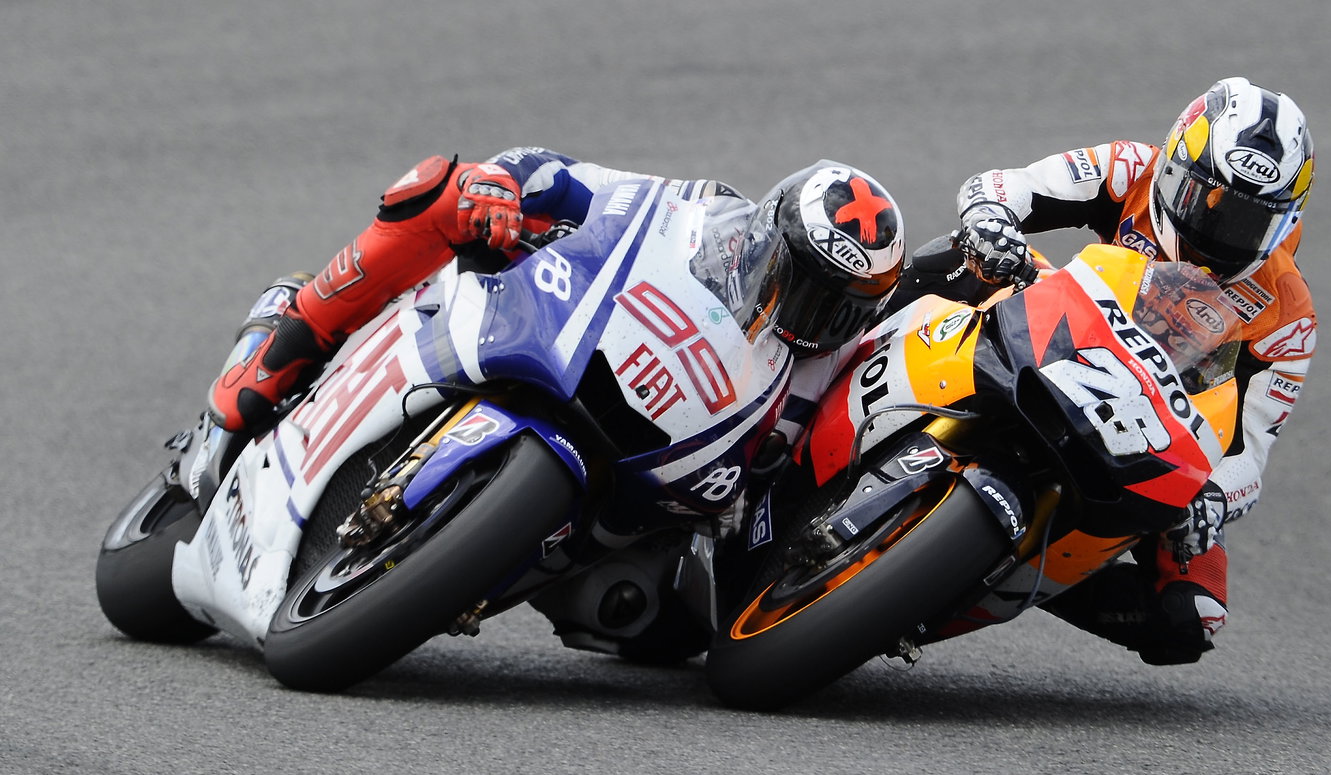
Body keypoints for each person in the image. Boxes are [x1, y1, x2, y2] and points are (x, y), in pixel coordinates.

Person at [919, 77, 1316, 665]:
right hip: (1054, 329)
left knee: (1190, 616)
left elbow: (1248, 454)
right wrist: (990, 219)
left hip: (1147, 426)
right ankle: (819, 367)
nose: (1219, 230)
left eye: (1246, 221)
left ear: (1282, 223)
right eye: (1210, 200)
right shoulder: (1131, 168)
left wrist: (1211, 497)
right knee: (963, 256)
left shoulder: (1289, 315)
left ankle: (1003, 572)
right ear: (1178, 168)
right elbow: (1009, 186)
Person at [208, 149, 906, 457]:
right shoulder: (702, 210)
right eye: (805, 285)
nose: (814, 315)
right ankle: (280, 346)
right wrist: (503, 185)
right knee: (443, 189)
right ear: (765, 239)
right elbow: (570, 178)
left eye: (837, 306)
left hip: (662, 484)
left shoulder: (829, 366)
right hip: (573, 332)